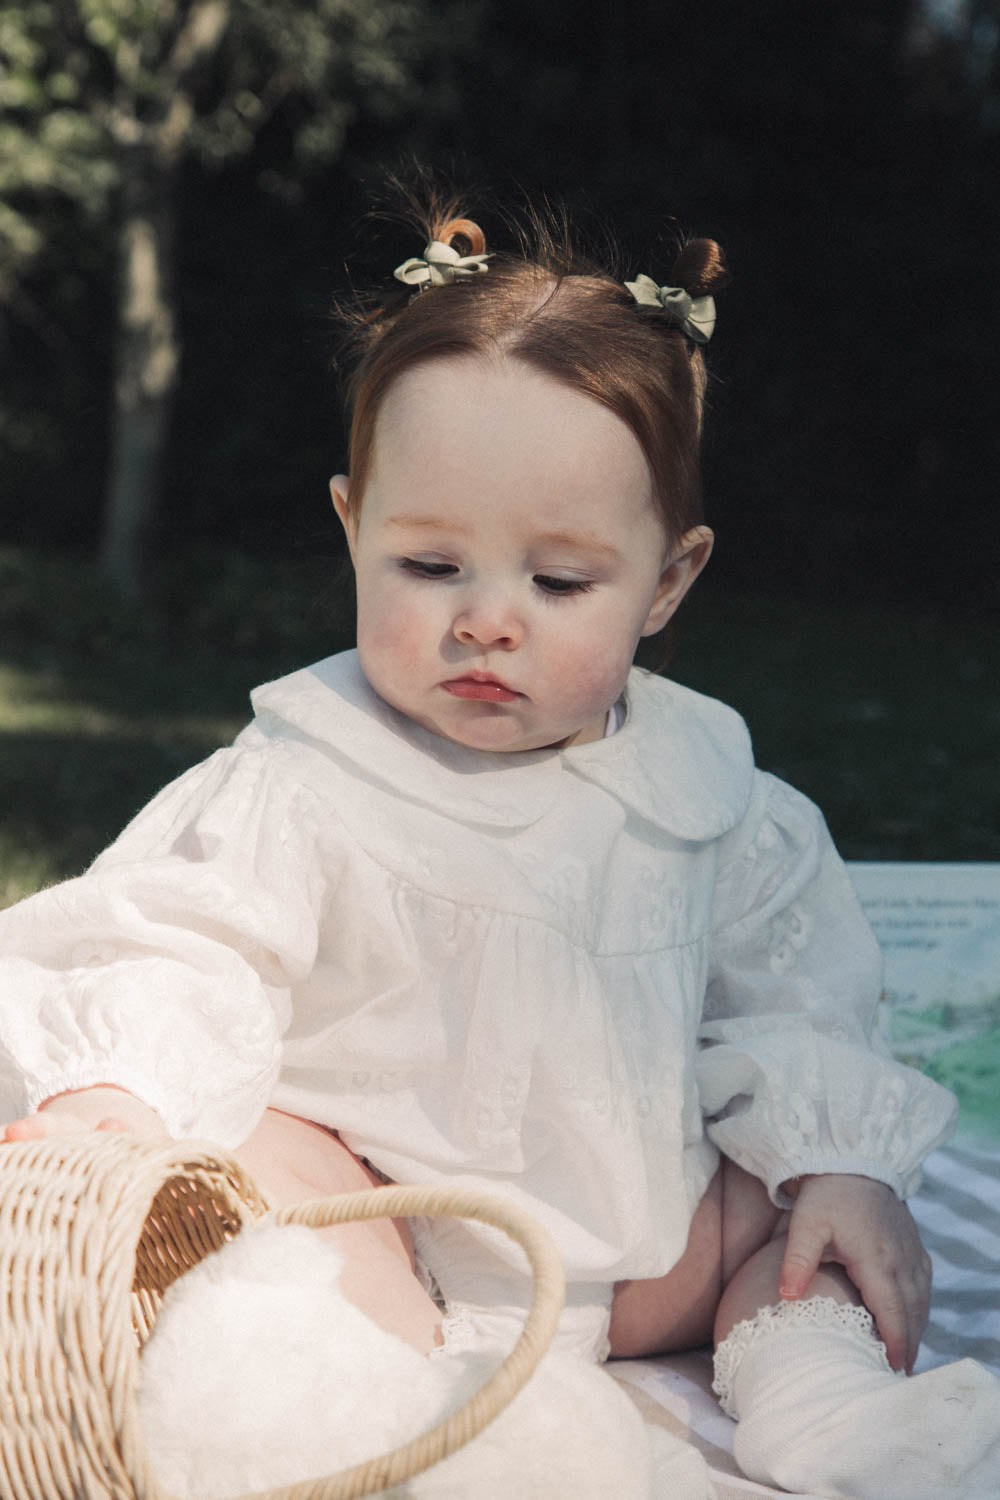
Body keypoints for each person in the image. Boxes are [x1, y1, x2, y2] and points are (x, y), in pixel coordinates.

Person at [1, 192, 997, 1499]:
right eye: (430, 566)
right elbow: (185, 938)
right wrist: (114, 1088)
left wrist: (843, 1162)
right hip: (396, 1237)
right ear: (354, 527)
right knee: (265, 1163)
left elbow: (802, 1003)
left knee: (807, 1209)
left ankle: (816, 1388)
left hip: (650, 1257)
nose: (486, 621)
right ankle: (401, 1401)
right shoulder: (306, 778)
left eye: (560, 582)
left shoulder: (716, 798)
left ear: (669, 581)